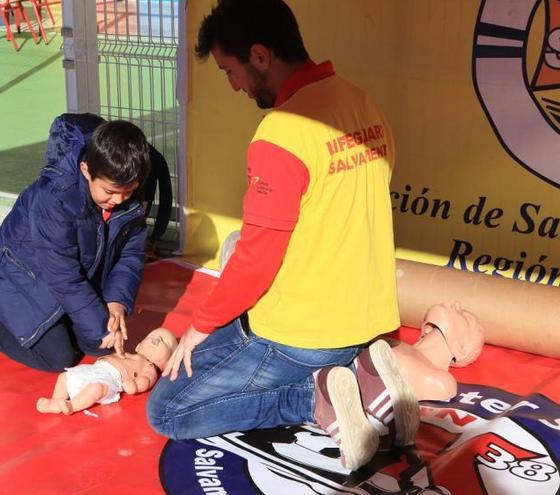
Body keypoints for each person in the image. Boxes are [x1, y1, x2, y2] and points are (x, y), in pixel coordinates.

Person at [146, 0, 417, 470]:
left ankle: (315, 398)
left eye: (231, 72)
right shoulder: (359, 101)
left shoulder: (281, 133)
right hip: (366, 319)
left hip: (300, 334)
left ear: (260, 56)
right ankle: (363, 373)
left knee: (167, 408)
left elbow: (257, 257)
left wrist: (200, 325)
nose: (233, 86)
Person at [0, 114, 152, 373]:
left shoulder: (124, 188)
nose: (119, 200)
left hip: (74, 276)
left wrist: (116, 301)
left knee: (99, 344)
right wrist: (101, 325)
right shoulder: (54, 198)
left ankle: (45, 324)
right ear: (86, 170)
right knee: (58, 357)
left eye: (128, 192)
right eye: (109, 192)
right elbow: (63, 275)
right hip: (21, 278)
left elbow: (130, 254)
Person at [36, 328, 177, 414]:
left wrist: (134, 385)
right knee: (65, 376)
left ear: (165, 363)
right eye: (151, 336)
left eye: (164, 341)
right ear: (139, 345)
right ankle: (56, 401)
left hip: (113, 380)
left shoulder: (149, 367)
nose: (157, 338)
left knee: (96, 389)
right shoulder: (130, 353)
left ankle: (71, 405)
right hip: (96, 368)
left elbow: (146, 380)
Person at [392, 302, 485, 402]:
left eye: (467, 319)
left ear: (461, 349)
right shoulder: (396, 341)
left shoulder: (443, 383)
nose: (456, 304)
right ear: (427, 329)